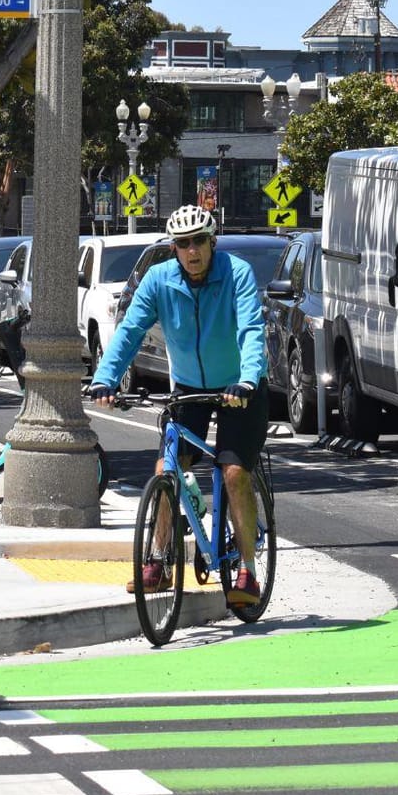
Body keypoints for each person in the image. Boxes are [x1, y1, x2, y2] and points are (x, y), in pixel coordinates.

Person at [84, 204, 269, 606]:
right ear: (174, 248)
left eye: (199, 241)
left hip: (240, 386)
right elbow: (131, 330)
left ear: (212, 241)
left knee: (233, 470)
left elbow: (251, 329)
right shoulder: (159, 279)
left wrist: (248, 379)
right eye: (183, 244)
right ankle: (157, 559)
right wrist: (105, 378)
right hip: (188, 386)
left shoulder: (236, 273)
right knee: (167, 468)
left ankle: (248, 571)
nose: (192, 250)